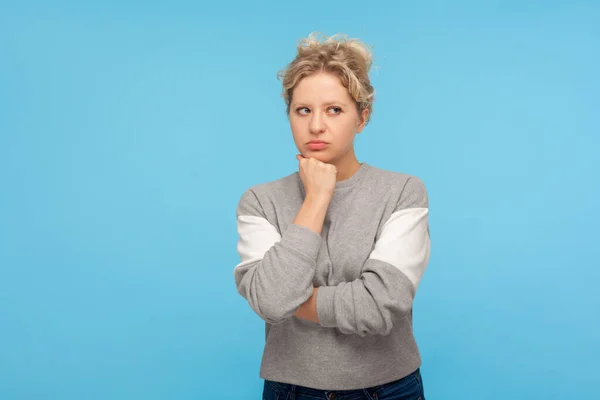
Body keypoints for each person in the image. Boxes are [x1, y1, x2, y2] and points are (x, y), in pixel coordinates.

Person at [233, 32, 431, 400]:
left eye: (334, 109)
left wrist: (294, 299)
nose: (316, 126)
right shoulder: (260, 201)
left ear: (362, 117)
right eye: (303, 110)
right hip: (292, 389)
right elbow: (271, 302)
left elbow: (377, 307)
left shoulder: (403, 192)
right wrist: (316, 199)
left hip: (390, 389)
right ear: (289, 115)